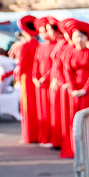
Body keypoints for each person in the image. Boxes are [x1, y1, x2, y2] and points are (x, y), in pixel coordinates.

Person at [60, 19, 89, 159]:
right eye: (76, 36)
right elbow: (67, 72)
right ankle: (74, 148)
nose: (79, 39)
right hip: (74, 91)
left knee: (88, 119)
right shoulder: (70, 53)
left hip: (88, 91)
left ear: (86, 38)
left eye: (82, 36)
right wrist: (72, 89)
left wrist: (85, 89)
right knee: (73, 120)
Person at [33, 19, 60, 146]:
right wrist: (35, 77)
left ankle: (52, 137)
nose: (44, 34)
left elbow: (55, 65)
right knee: (42, 110)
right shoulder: (40, 46)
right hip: (40, 84)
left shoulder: (56, 45)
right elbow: (36, 63)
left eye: (46, 31)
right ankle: (43, 137)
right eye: (41, 32)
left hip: (50, 82)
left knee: (52, 110)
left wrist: (45, 77)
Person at [15, 15, 41, 143]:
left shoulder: (24, 46)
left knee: (27, 106)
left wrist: (18, 78)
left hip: (26, 78)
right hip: (36, 78)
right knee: (37, 106)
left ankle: (29, 135)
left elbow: (22, 64)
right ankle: (37, 134)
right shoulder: (39, 45)